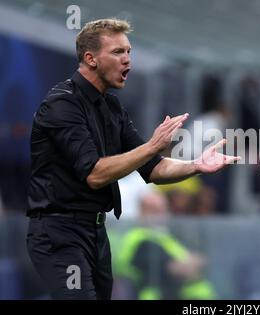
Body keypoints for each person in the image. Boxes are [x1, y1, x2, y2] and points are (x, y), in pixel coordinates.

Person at [26, 18, 239, 300]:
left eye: (129, 52)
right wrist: (152, 146)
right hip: (59, 233)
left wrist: (196, 165)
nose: (127, 60)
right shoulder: (62, 104)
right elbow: (95, 174)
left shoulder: (111, 106)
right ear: (90, 59)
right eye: (117, 52)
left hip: (95, 233)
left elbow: (154, 169)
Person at [115, 190, 216, 299]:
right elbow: (177, 270)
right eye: (154, 210)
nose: (161, 214)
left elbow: (203, 258)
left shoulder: (166, 235)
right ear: (141, 212)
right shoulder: (141, 240)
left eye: (164, 209)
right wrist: (192, 264)